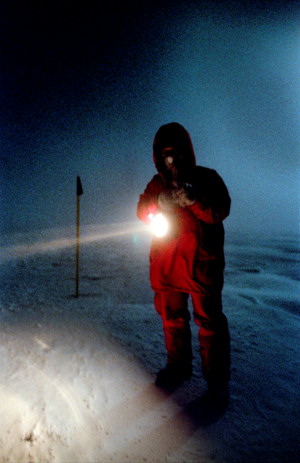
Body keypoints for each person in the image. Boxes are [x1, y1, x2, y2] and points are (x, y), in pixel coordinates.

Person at [137, 122, 231, 396]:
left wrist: (193, 199)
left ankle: (216, 381)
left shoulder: (208, 178)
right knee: (172, 319)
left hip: (201, 266)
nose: (172, 159)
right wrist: (160, 202)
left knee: (210, 323)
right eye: (165, 154)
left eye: (176, 152)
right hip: (168, 267)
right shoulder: (156, 185)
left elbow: (219, 210)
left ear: (187, 152)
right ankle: (178, 367)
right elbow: (142, 210)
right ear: (158, 157)